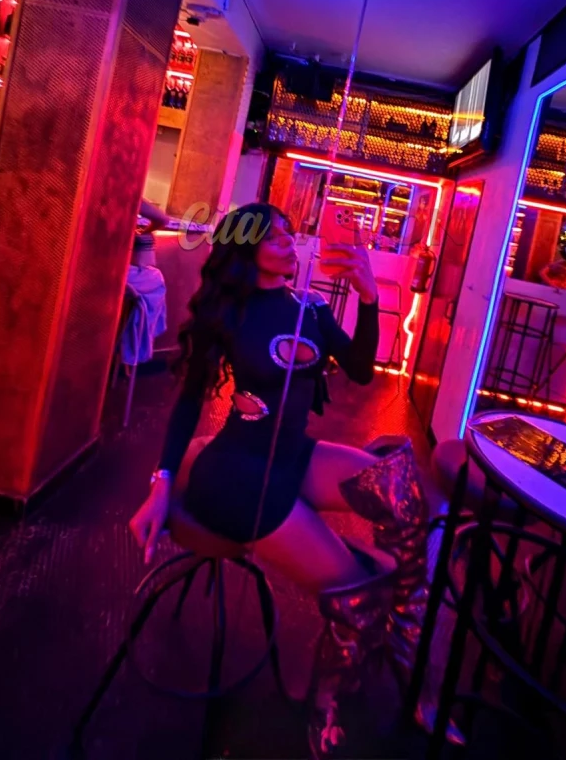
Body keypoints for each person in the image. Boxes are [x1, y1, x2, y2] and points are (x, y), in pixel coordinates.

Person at [129, 202, 448, 757]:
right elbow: (187, 404)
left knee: (402, 490)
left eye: (289, 233)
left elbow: (361, 370)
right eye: (274, 236)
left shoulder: (310, 308)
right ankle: (326, 698)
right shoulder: (229, 313)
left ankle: (408, 655)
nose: (289, 242)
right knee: (358, 592)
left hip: (291, 457)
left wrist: (369, 296)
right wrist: (161, 482)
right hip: (237, 475)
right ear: (247, 246)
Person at [120, 198, 170, 366]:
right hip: (123, 279)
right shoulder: (130, 196)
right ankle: (130, 349)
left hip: (101, 276)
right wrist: (143, 232)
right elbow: (162, 219)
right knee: (156, 278)